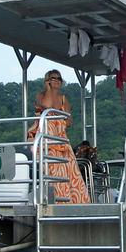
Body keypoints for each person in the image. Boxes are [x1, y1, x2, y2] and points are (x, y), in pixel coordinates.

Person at [27, 70, 91, 204]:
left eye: (59, 78)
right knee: (53, 171)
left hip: (60, 138)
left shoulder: (63, 99)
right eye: (53, 78)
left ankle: (74, 202)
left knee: (71, 172)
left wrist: (59, 120)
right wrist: (49, 89)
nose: (56, 80)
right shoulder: (41, 96)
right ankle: (57, 200)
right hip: (45, 138)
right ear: (47, 80)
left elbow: (69, 121)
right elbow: (47, 105)